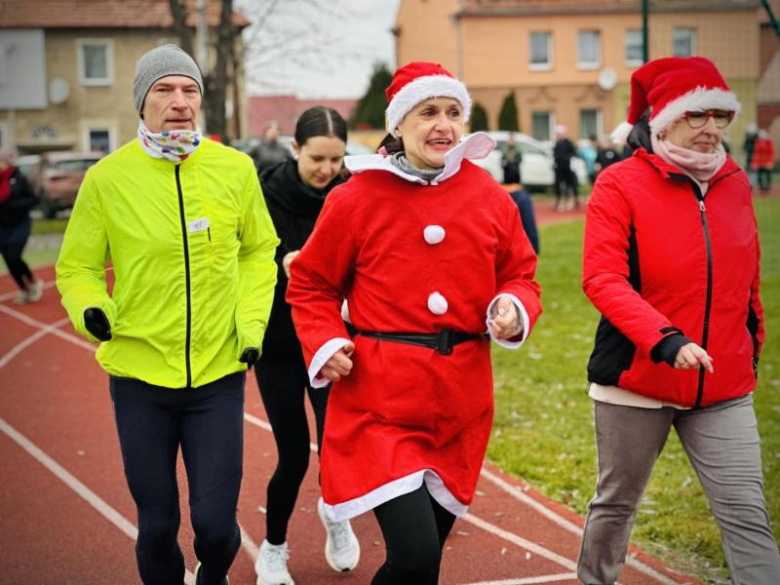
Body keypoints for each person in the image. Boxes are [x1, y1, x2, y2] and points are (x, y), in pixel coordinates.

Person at [286, 61, 542, 584]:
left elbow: (522, 275)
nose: (442, 124)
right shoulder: (354, 198)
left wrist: (513, 307)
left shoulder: (492, 199)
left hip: (460, 404)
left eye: (453, 112)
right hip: (379, 403)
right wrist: (326, 340)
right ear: (399, 124)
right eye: (427, 112)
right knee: (417, 555)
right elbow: (311, 284)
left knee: (420, 567)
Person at [56, 45, 279, 585]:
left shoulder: (235, 169)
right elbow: (77, 267)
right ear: (141, 100)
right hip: (139, 376)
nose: (179, 102)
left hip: (218, 373)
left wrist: (249, 326)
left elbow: (258, 251)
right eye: (164, 90)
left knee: (216, 526)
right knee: (157, 526)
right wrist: (92, 309)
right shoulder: (107, 180)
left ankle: (211, 574)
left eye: (189, 90)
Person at [579, 56, 780, 584]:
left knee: (746, 513)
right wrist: (664, 339)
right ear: (664, 118)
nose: (712, 128)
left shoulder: (735, 183)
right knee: (616, 506)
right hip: (637, 379)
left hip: (722, 381)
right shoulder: (619, 184)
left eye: (721, 115)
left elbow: (747, 282)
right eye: (698, 115)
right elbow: (602, 279)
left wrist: (749, 347)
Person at [253, 106, 360, 585]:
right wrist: (281, 264)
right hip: (278, 341)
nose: (327, 170)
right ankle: (274, 548)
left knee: (337, 447)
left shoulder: (351, 191)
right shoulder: (263, 191)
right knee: (294, 452)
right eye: (318, 158)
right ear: (295, 148)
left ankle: (336, 513)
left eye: (336, 160)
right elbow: (245, 257)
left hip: (332, 341)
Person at [0, 150, 43, 305]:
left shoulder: (19, 179)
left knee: (14, 255)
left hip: (19, 223)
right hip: (2, 226)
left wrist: (13, 205)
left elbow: (33, 199)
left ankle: (32, 281)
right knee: (8, 260)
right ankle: (23, 289)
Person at [552, 125, 579, 211]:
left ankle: (570, 200)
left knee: (569, 184)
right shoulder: (557, 143)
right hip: (558, 167)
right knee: (558, 185)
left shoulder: (569, 143)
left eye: (559, 133)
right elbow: (555, 154)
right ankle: (559, 201)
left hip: (567, 168)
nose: (557, 135)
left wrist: (567, 159)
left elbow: (574, 153)